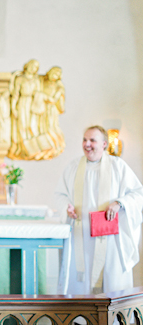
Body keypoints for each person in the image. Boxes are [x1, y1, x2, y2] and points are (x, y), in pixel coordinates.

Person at [56, 126, 143, 295]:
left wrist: (119, 203)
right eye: (84, 140)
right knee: (82, 278)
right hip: (81, 236)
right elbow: (60, 194)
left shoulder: (118, 166)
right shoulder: (73, 167)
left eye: (92, 140)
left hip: (111, 237)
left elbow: (138, 193)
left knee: (111, 278)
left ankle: (113, 320)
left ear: (104, 144)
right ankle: (81, 319)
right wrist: (67, 208)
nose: (87, 144)